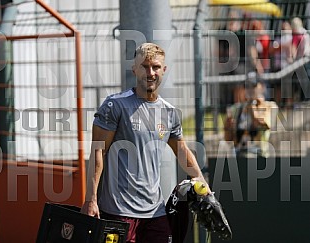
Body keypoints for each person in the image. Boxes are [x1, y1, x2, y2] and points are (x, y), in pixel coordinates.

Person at [81, 43, 211, 243]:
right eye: (145, 66)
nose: (150, 72)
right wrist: (91, 199)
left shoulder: (170, 113)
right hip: (118, 212)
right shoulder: (115, 105)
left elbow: (182, 150)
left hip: (154, 213)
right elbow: (98, 152)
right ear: (134, 69)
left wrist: (203, 184)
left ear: (164, 70)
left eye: (156, 67)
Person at [224, 73, 278, 157]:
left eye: (253, 85)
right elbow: (228, 139)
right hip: (239, 153)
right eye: (247, 86)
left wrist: (251, 105)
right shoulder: (236, 108)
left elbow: (263, 124)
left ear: (262, 87)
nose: (250, 89)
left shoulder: (270, 106)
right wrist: (228, 127)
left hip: (259, 154)